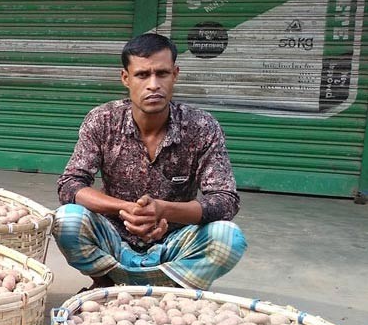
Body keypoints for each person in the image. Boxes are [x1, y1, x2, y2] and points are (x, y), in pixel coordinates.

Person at [53, 33, 247, 291]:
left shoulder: (201, 126)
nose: (153, 84)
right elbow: (70, 185)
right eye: (143, 75)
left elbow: (224, 200)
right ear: (126, 78)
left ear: (175, 74)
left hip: (175, 243)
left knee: (228, 238)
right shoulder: (103, 120)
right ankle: (106, 282)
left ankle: (167, 287)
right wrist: (125, 208)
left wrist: (163, 210)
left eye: (162, 74)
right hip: (114, 240)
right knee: (67, 220)